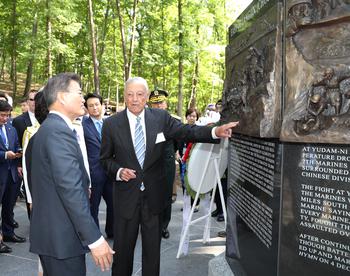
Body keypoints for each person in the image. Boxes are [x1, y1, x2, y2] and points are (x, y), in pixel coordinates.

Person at [100, 76, 239, 276]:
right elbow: (104, 159)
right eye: (130, 94)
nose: (135, 99)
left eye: (139, 94)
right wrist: (119, 171)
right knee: (122, 256)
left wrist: (215, 132)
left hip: (153, 199)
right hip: (125, 198)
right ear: (124, 96)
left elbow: (186, 131)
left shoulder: (160, 118)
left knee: (152, 255)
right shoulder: (111, 124)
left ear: (146, 96)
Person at [29, 73, 114, 275]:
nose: (83, 99)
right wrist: (94, 238)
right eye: (79, 93)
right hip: (61, 239)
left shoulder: (50, 129)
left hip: (56, 237)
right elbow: (71, 189)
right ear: (62, 97)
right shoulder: (58, 132)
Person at [82, 93, 114, 239]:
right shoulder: (82, 126)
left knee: (114, 204)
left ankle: (112, 231)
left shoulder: (111, 123)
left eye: (97, 104)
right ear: (86, 108)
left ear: (102, 105)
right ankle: (94, 236)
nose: (94, 108)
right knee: (92, 207)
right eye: (90, 106)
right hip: (93, 173)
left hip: (111, 172)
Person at [148, 89, 175, 239]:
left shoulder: (172, 120)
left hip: (166, 162)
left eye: (161, 102)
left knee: (165, 195)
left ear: (166, 104)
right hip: (149, 163)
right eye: (155, 103)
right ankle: (150, 223)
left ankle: (164, 225)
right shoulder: (144, 119)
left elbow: (178, 140)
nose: (158, 106)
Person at [0, 100, 24, 253]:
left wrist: (18, 153)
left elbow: (15, 146)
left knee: (9, 206)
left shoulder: (11, 129)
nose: (6, 118)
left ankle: (8, 233)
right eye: (2, 115)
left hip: (12, 174)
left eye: (8, 115)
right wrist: (4, 155)